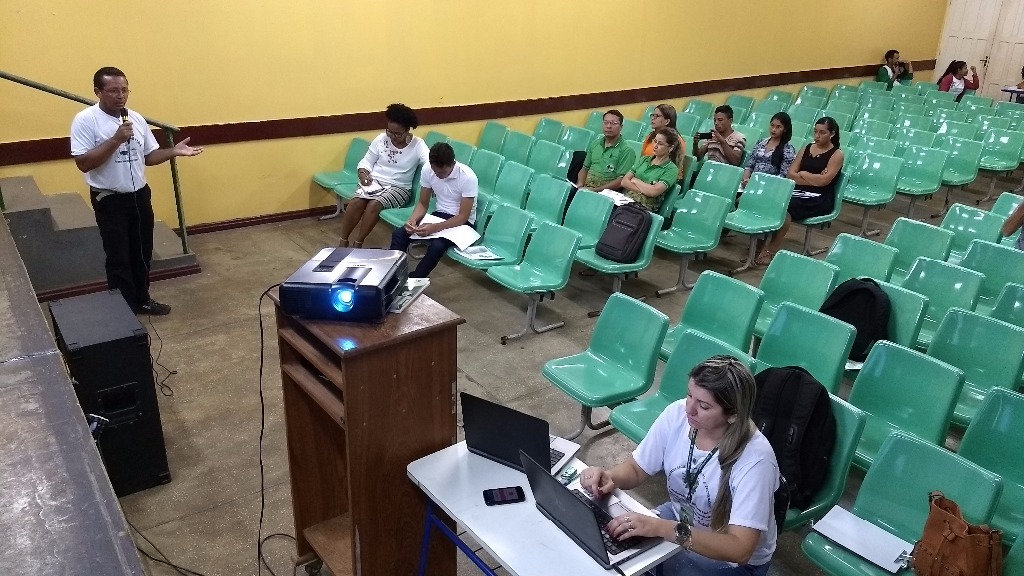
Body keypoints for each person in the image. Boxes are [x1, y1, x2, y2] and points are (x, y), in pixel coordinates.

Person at [580, 356, 780, 576]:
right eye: (689, 395)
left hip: (733, 560)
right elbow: (637, 469)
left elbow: (739, 549)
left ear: (733, 415)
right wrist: (610, 477)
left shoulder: (756, 460)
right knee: (613, 545)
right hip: (682, 518)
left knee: (635, 564)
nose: (689, 409)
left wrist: (662, 528)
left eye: (704, 406)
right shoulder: (677, 415)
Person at [70, 67, 203, 316]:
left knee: (142, 252)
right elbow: (83, 163)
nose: (121, 95)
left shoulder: (136, 118)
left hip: (139, 196)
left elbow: (149, 156)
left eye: (124, 90)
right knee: (118, 257)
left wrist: (173, 151)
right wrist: (115, 140)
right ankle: (122, 310)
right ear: (98, 92)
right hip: (109, 199)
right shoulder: (85, 120)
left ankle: (142, 299)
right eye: (113, 91)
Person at [338, 103, 429, 247]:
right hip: (374, 182)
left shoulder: (418, 145)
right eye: (389, 132)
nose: (392, 137)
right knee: (356, 202)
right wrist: (363, 174)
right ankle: (343, 241)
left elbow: (429, 164)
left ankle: (358, 242)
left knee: (374, 204)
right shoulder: (381, 139)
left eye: (397, 134)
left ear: (407, 130)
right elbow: (366, 162)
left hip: (399, 188)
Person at [756, 117, 844, 265]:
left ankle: (771, 250)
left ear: (832, 134)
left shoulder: (837, 154)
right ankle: (759, 245)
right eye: (815, 131)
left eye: (822, 132)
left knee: (785, 207)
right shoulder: (807, 148)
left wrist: (803, 174)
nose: (817, 136)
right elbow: (791, 174)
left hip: (819, 198)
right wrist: (813, 178)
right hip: (798, 190)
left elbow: (824, 181)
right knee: (772, 200)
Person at [389, 143, 477, 277]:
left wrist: (436, 227)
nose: (438, 175)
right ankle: (394, 275)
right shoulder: (427, 169)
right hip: (439, 215)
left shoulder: (467, 177)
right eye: (435, 171)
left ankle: (416, 278)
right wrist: (412, 221)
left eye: (442, 172)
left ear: (452, 164)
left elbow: (463, 216)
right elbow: (422, 203)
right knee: (399, 234)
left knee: (437, 245)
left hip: (462, 223)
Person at [621, 127, 681, 212]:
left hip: (643, 208)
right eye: (655, 141)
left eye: (660, 144)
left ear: (670, 148)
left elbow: (653, 192)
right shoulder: (644, 159)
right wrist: (646, 190)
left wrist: (635, 180)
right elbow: (624, 181)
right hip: (625, 199)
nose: (655, 146)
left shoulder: (671, 169)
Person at [575, 110, 636, 191]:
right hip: (587, 187)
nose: (608, 126)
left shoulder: (627, 150)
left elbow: (621, 180)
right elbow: (585, 168)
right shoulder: (595, 144)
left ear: (621, 127)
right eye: (606, 122)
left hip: (606, 192)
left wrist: (596, 190)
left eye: (613, 123)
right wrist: (580, 184)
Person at [741, 112, 796, 189]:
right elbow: (750, 165)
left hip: (770, 187)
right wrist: (745, 180)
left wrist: (762, 186)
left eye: (778, 127)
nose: (774, 129)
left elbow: (783, 176)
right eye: (772, 125)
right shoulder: (761, 142)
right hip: (751, 182)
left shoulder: (788, 149)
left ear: (785, 129)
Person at [642, 104, 688, 182]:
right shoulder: (650, 136)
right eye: (652, 115)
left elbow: (673, 168)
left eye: (657, 116)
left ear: (667, 121)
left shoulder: (676, 140)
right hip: (646, 174)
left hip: (664, 179)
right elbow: (642, 158)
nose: (653, 118)